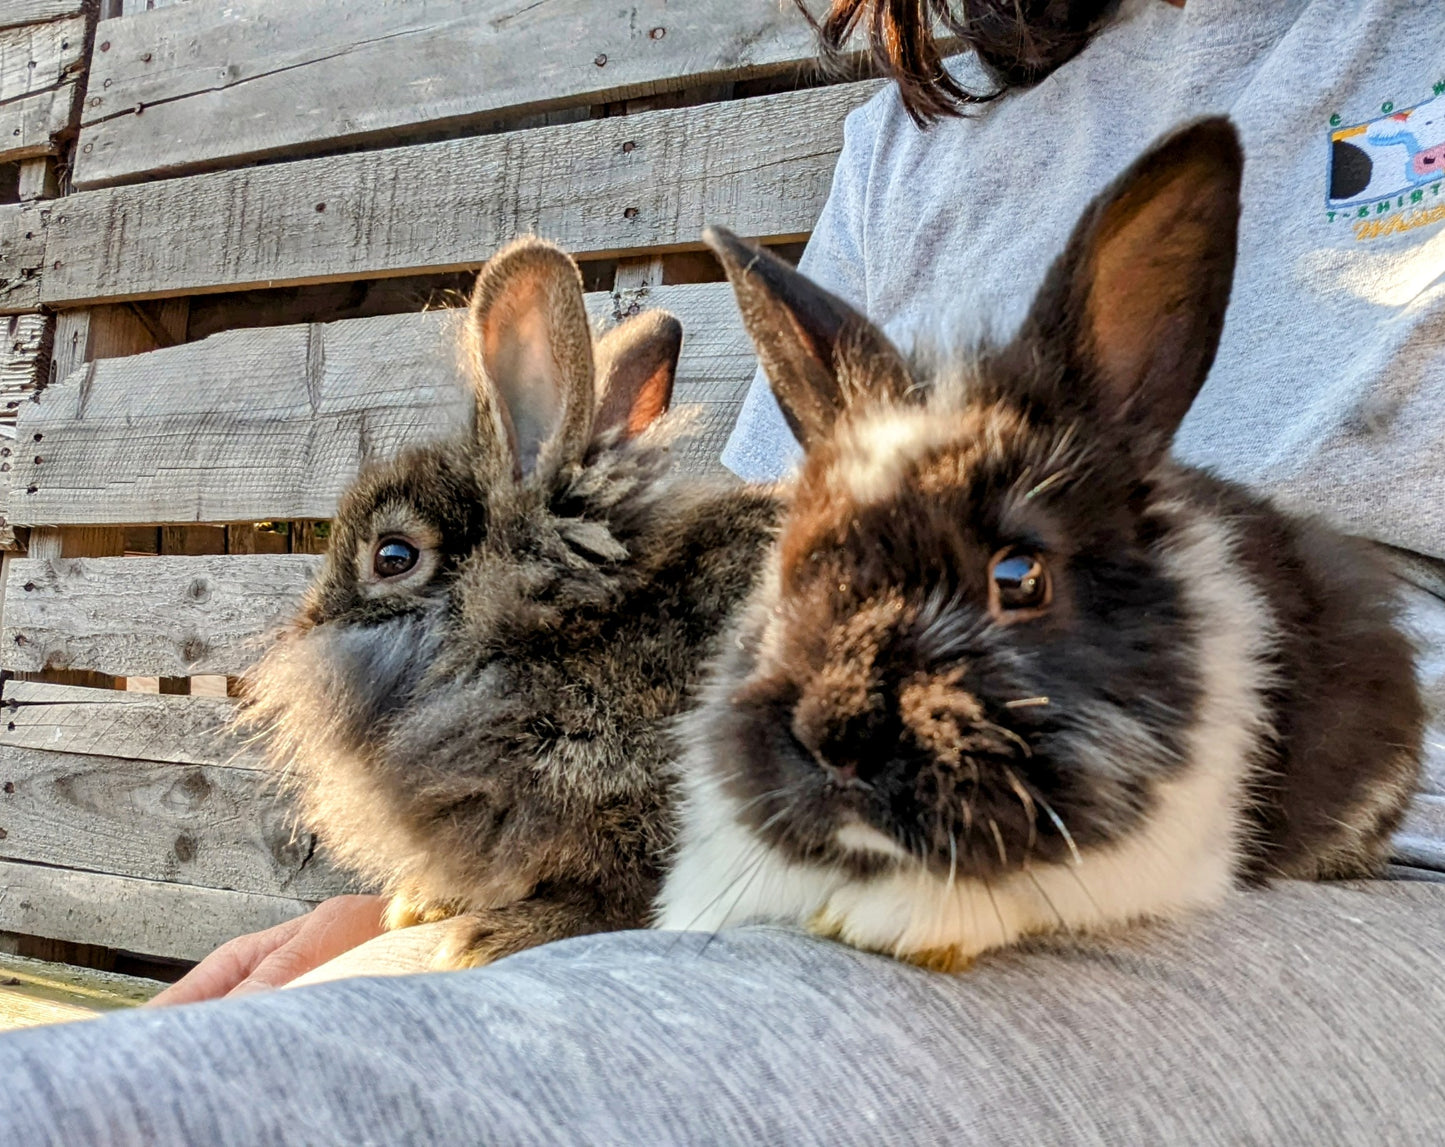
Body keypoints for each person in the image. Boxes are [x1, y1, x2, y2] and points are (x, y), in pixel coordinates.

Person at [4, 1, 1443, 1141]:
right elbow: (772, 584)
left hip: (1329, 878)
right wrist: (433, 901)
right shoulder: (920, 136)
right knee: (179, 1069)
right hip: (871, 848)